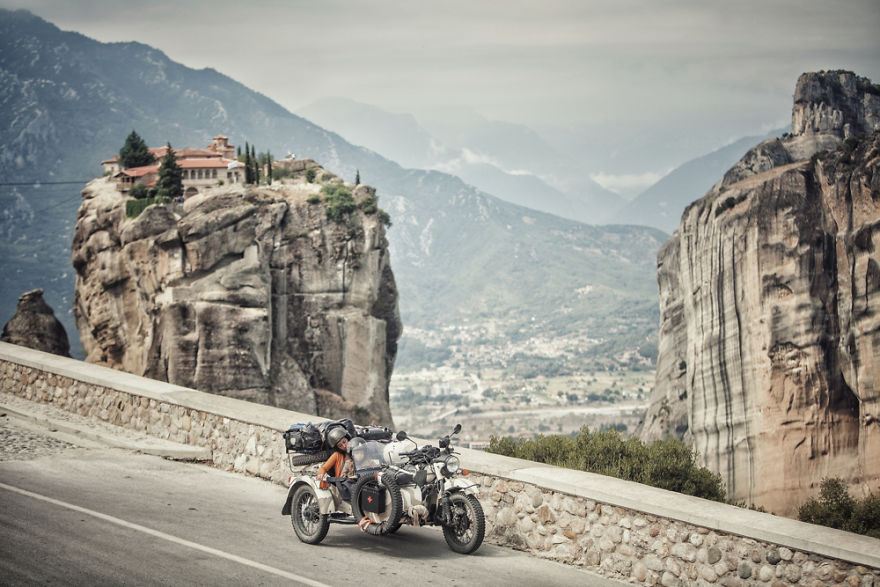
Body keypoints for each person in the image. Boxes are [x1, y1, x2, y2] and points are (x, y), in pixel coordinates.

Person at [316, 426, 358, 500]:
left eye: (344, 442)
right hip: (344, 485)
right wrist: (321, 474)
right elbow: (323, 468)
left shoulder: (357, 450)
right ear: (337, 447)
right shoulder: (337, 455)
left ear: (348, 439)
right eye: (340, 445)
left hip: (358, 481)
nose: (344, 446)